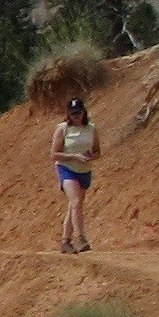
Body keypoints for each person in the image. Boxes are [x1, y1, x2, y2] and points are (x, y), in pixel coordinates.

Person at [50, 94, 99, 253]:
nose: (76, 116)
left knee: (74, 205)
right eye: (73, 113)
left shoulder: (91, 128)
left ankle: (65, 241)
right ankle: (80, 238)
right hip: (66, 168)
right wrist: (73, 157)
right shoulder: (62, 129)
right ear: (68, 114)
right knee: (76, 201)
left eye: (79, 112)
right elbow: (54, 154)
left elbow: (98, 152)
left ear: (84, 112)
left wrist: (90, 156)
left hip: (84, 169)